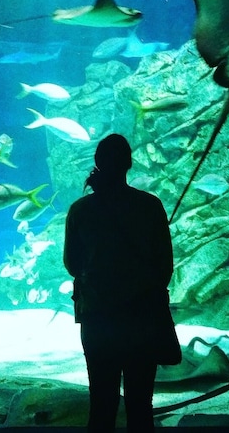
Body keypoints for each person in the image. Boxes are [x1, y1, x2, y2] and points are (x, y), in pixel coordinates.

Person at [63, 133, 180, 432]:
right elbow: (165, 266)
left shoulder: (80, 210)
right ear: (129, 163)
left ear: (98, 163)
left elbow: (72, 265)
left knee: (102, 403)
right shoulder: (150, 206)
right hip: (142, 320)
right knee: (140, 406)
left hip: (98, 319)